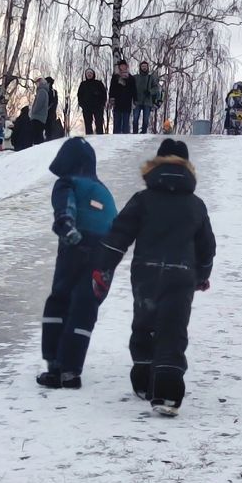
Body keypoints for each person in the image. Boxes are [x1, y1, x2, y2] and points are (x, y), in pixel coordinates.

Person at [92, 138, 216, 417]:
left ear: (156, 165)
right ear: (187, 168)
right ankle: (168, 392)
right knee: (172, 329)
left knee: (145, 323)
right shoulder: (195, 205)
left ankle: (144, 381)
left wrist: (104, 266)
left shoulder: (142, 200)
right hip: (181, 274)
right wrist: (202, 274)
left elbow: (118, 235)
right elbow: (206, 246)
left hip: (146, 272)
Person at [37, 138, 119, 389]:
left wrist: (66, 224)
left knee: (60, 299)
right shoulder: (103, 189)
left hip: (76, 244)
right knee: (85, 306)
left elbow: (65, 205)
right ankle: (71, 371)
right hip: (105, 252)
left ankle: (54, 365)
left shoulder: (67, 182)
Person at [109, 60, 138, 134]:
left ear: (126, 66)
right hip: (118, 101)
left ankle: (125, 135)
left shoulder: (131, 78)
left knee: (126, 120)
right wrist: (111, 99)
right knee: (117, 120)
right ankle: (116, 135)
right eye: (121, 66)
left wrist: (135, 99)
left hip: (127, 101)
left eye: (124, 65)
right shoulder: (115, 77)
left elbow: (134, 89)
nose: (122, 67)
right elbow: (112, 89)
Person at [133, 61, 161, 134]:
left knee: (145, 119)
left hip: (147, 101)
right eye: (143, 66)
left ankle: (143, 133)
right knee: (135, 118)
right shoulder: (136, 77)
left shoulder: (151, 77)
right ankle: (135, 133)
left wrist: (150, 91)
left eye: (145, 66)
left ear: (147, 67)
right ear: (140, 67)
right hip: (137, 100)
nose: (144, 68)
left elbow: (156, 87)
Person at [77, 68, 107, 135]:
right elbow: (79, 95)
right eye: (88, 74)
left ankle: (100, 137)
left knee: (99, 123)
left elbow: (104, 94)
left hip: (98, 107)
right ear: (86, 75)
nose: (89, 75)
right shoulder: (83, 84)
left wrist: (102, 103)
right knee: (88, 123)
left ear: (93, 74)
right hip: (87, 107)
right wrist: (82, 104)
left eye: (90, 73)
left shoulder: (98, 83)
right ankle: (89, 138)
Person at [30, 77, 50, 145]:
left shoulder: (41, 91)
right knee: (39, 134)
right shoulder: (45, 91)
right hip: (42, 117)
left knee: (37, 135)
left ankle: (38, 149)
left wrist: (33, 111)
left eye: (37, 83)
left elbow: (39, 103)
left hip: (37, 117)